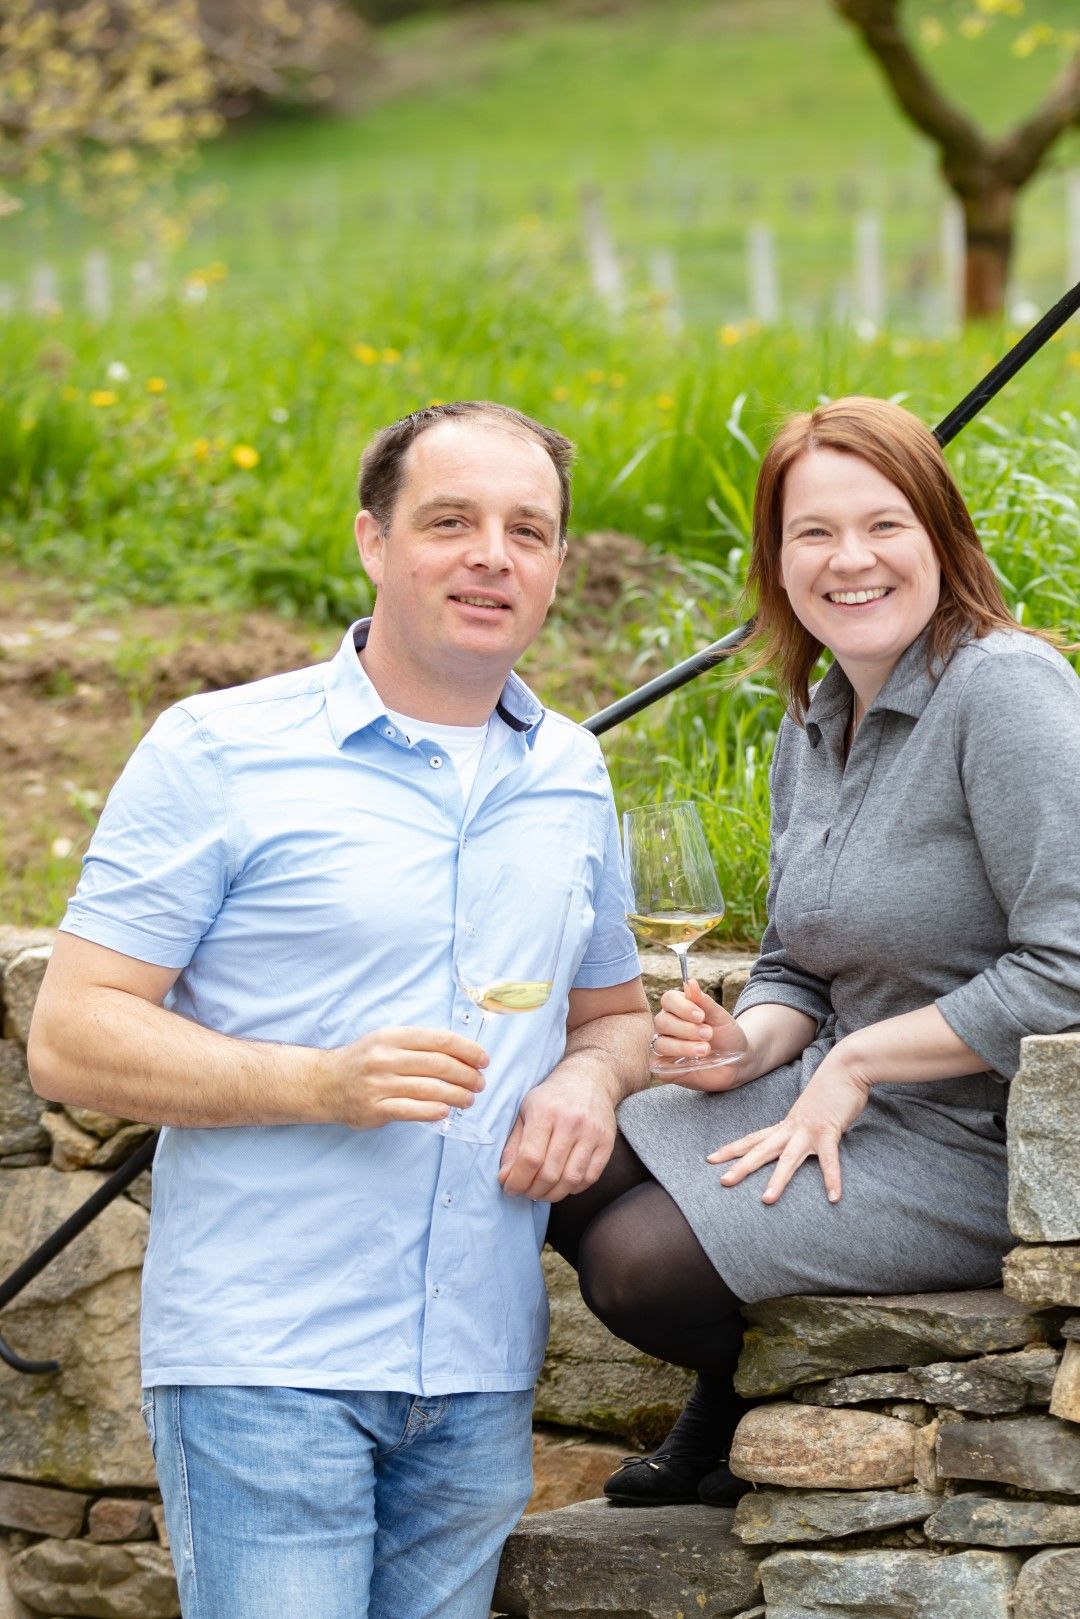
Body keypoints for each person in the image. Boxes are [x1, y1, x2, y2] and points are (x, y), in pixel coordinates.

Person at [28, 400, 651, 1618]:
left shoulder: (572, 771)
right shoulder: (217, 748)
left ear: (560, 566)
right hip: (269, 1358)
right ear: (374, 541)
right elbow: (71, 1029)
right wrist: (319, 1082)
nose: (493, 554)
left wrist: (589, 1078)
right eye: (451, 521)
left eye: (529, 530)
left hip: (478, 1365)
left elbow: (613, 1013)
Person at [547, 394, 1080, 1508]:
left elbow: (1068, 963)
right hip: (827, 1094)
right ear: (776, 560)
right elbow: (797, 960)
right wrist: (747, 1046)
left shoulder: (1007, 693)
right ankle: (740, 1383)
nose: (852, 560)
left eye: (885, 524)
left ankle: (734, 1396)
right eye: (814, 532)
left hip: (987, 1139)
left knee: (637, 1262)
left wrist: (853, 1063)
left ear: (942, 532)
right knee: (565, 1163)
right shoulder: (815, 714)